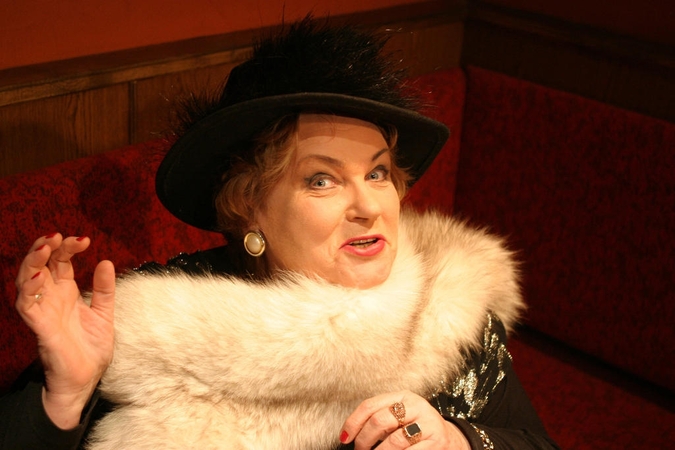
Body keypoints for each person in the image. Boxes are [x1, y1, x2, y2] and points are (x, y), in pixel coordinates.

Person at [1, 17, 559, 450]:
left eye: (378, 173)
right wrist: (64, 396)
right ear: (250, 207)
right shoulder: (152, 324)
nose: (369, 206)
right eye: (322, 180)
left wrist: (458, 441)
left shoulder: (444, 307)